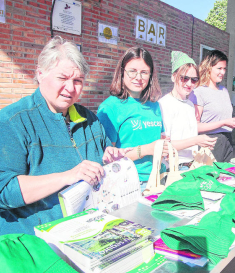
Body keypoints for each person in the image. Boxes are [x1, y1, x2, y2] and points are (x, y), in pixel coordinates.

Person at [0, 36, 127, 235]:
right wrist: (67, 176)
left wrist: (109, 158)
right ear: (40, 74)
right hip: (36, 241)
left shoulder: (90, 120)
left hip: (89, 230)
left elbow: (98, 165)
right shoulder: (12, 121)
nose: (70, 88)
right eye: (62, 78)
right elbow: (5, 191)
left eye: (78, 81)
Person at [97, 47, 168, 188]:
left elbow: (159, 139)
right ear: (122, 72)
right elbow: (106, 159)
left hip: (159, 178)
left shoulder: (154, 106)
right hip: (130, 183)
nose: (138, 77)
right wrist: (146, 149)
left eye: (144, 72)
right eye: (132, 71)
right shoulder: (110, 108)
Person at [189, 50, 235, 162]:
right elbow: (195, 127)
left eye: (224, 69)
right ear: (208, 68)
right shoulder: (199, 92)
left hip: (227, 141)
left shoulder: (224, 91)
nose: (222, 72)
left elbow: (226, 120)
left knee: (225, 178)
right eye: (219, 68)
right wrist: (223, 123)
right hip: (209, 144)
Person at [158, 51, 217, 169]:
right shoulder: (163, 105)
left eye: (194, 80)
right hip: (173, 169)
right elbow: (165, 145)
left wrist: (203, 143)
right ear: (173, 77)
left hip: (192, 165)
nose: (189, 83)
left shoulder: (190, 105)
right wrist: (196, 140)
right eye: (184, 78)